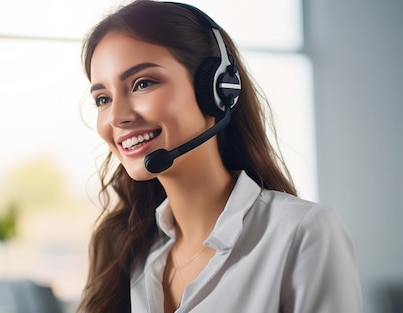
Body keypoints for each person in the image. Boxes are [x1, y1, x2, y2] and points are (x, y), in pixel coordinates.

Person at [76, 1, 362, 312]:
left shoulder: (303, 232)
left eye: (143, 83)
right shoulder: (126, 249)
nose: (117, 116)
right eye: (102, 99)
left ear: (217, 88)